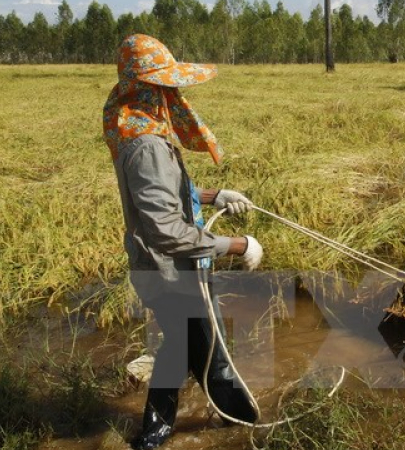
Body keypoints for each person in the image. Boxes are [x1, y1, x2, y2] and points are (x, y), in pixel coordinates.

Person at [103, 34, 261, 450]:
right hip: (168, 271)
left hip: (161, 268)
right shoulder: (148, 145)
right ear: (151, 88)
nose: (173, 93)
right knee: (205, 351)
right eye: (166, 85)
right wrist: (238, 245)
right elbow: (166, 230)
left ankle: (159, 433)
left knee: (183, 346)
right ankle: (237, 426)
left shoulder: (134, 124)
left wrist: (212, 196)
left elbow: (160, 195)